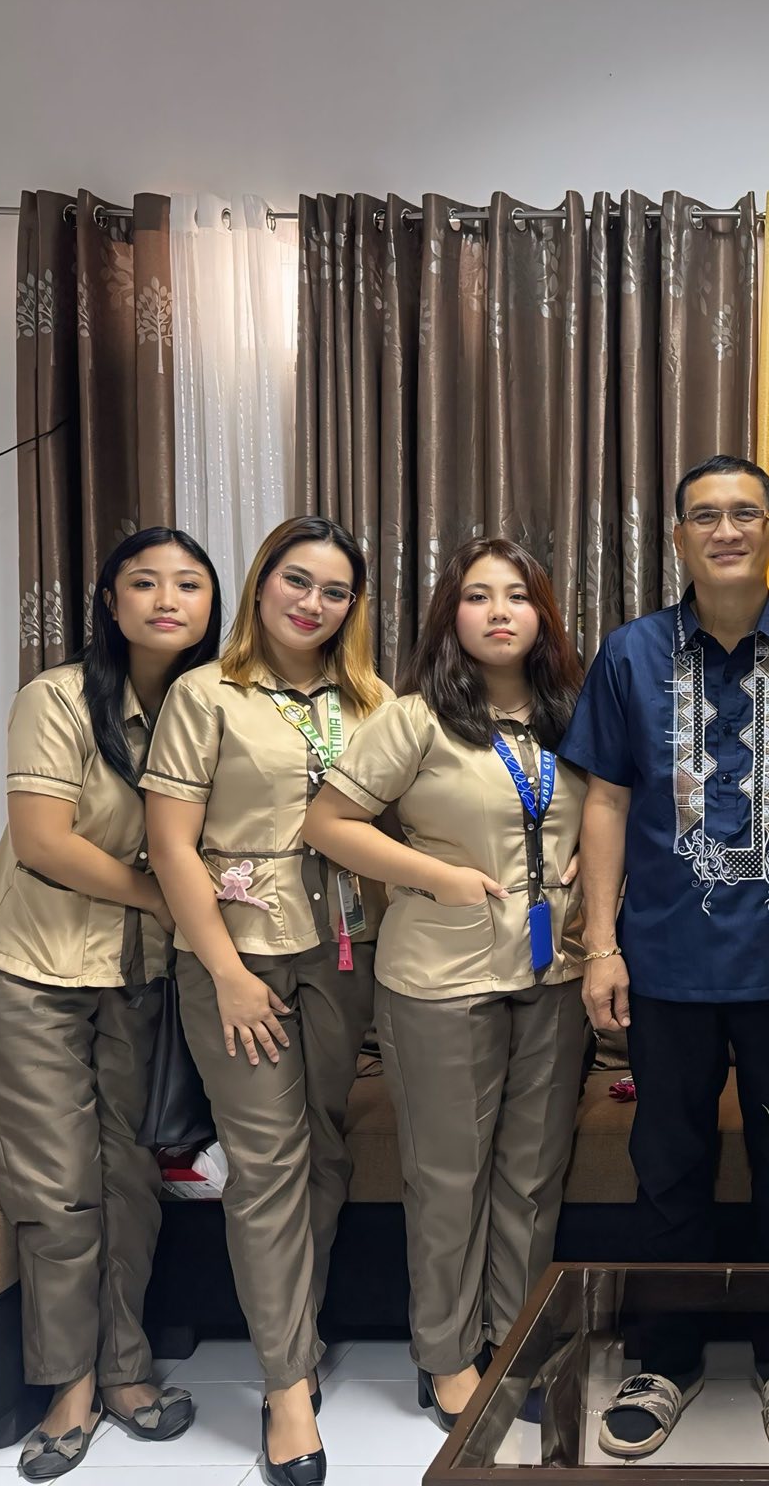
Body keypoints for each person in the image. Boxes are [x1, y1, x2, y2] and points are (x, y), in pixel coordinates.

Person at [559, 455, 769, 1460]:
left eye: (745, 514)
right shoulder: (629, 655)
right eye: (705, 515)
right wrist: (601, 944)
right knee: (668, 1164)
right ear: (679, 538)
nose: (726, 530)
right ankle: (666, 1355)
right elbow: (605, 801)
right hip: (665, 961)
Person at [304, 538, 588, 1433]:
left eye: (518, 596)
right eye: (477, 596)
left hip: (554, 969)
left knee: (533, 1175)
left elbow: (612, 809)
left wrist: (592, 856)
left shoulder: (574, 717)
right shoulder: (416, 718)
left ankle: (516, 1339)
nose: (499, 612)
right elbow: (328, 823)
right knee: (448, 1176)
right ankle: (446, 1355)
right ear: (449, 615)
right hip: (442, 976)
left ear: (543, 615)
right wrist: (434, 876)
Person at [0, 528, 220, 1479]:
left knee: (131, 1182)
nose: (167, 599)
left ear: (212, 606)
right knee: (61, 1191)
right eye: (143, 582)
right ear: (110, 602)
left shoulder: (210, 707)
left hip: (138, 977)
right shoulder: (58, 697)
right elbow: (43, 841)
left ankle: (126, 1370)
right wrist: (167, 895)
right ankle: (69, 1387)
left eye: (188, 584)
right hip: (27, 974)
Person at [143, 516, 392, 1486]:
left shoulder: (371, 700)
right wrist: (227, 973)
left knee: (323, 1145)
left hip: (344, 948)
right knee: (267, 1160)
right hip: (237, 953)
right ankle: (286, 1387)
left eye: (334, 591)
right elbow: (170, 846)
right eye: (296, 580)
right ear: (261, 582)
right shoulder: (206, 693)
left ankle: (301, 1334)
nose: (312, 603)